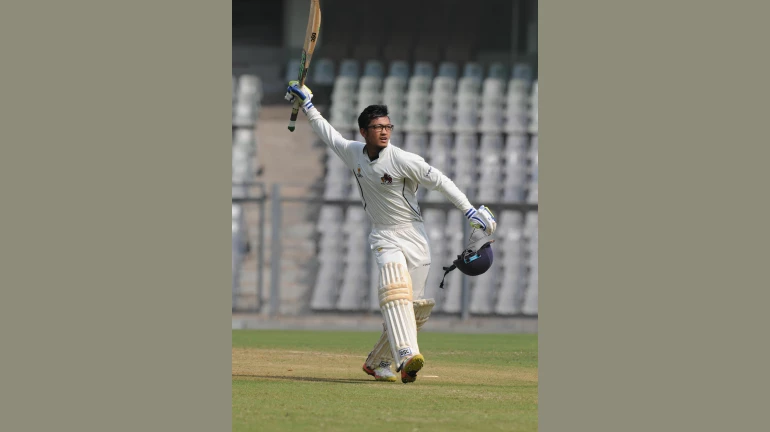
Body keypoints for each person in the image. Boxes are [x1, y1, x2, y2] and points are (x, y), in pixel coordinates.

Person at [285, 81, 497, 383]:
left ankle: (378, 362)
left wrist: (469, 210)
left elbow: (441, 181)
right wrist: (306, 104)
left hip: (415, 237)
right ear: (363, 132)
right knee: (395, 291)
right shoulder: (353, 153)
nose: (384, 131)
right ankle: (407, 355)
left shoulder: (402, 159)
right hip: (385, 236)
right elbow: (326, 132)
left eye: (388, 126)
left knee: (416, 310)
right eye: (377, 127)